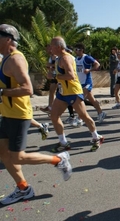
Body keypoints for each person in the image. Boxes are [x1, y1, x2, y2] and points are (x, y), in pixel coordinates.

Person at [0, 24, 72, 206]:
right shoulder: (5, 59)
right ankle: (23, 189)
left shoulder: (16, 59)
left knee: (17, 157)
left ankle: (58, 159)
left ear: (8, 39)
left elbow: (27, 89)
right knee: (3, 153)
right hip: (7, 114)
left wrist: (2, 93)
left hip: (18, 114)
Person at [48, 36, 104, 152]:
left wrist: (55, 76)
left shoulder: (66, 58)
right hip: (63, 92)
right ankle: (63, 142)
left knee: (84, 116)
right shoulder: (58, 58)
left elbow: (71, 76)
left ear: (58, 47)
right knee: (54, 115)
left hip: (73, 92)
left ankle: (96, 137)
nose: (50, 48)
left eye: (52, 46)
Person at [74, 43, 107, 124]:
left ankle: (80, 118)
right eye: (75, 50)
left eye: (77, 50)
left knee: (80, 100)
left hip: (87, 82)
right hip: (79, 83)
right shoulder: (76, 59)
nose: (75, 51)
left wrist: (89, 70)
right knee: (92, 99)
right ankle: (101, 112)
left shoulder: (87, 58)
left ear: (81, 50)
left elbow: (97, 64)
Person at [39, 45, 58, 114]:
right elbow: (49, 67)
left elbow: (57, 65)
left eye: (48, 48)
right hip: (54, 76)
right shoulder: (50, 57)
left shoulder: (57, 57)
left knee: (60, 93)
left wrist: (50, 65)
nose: (47, 50)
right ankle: (50, 107)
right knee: (51, 91)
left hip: (59, 76)